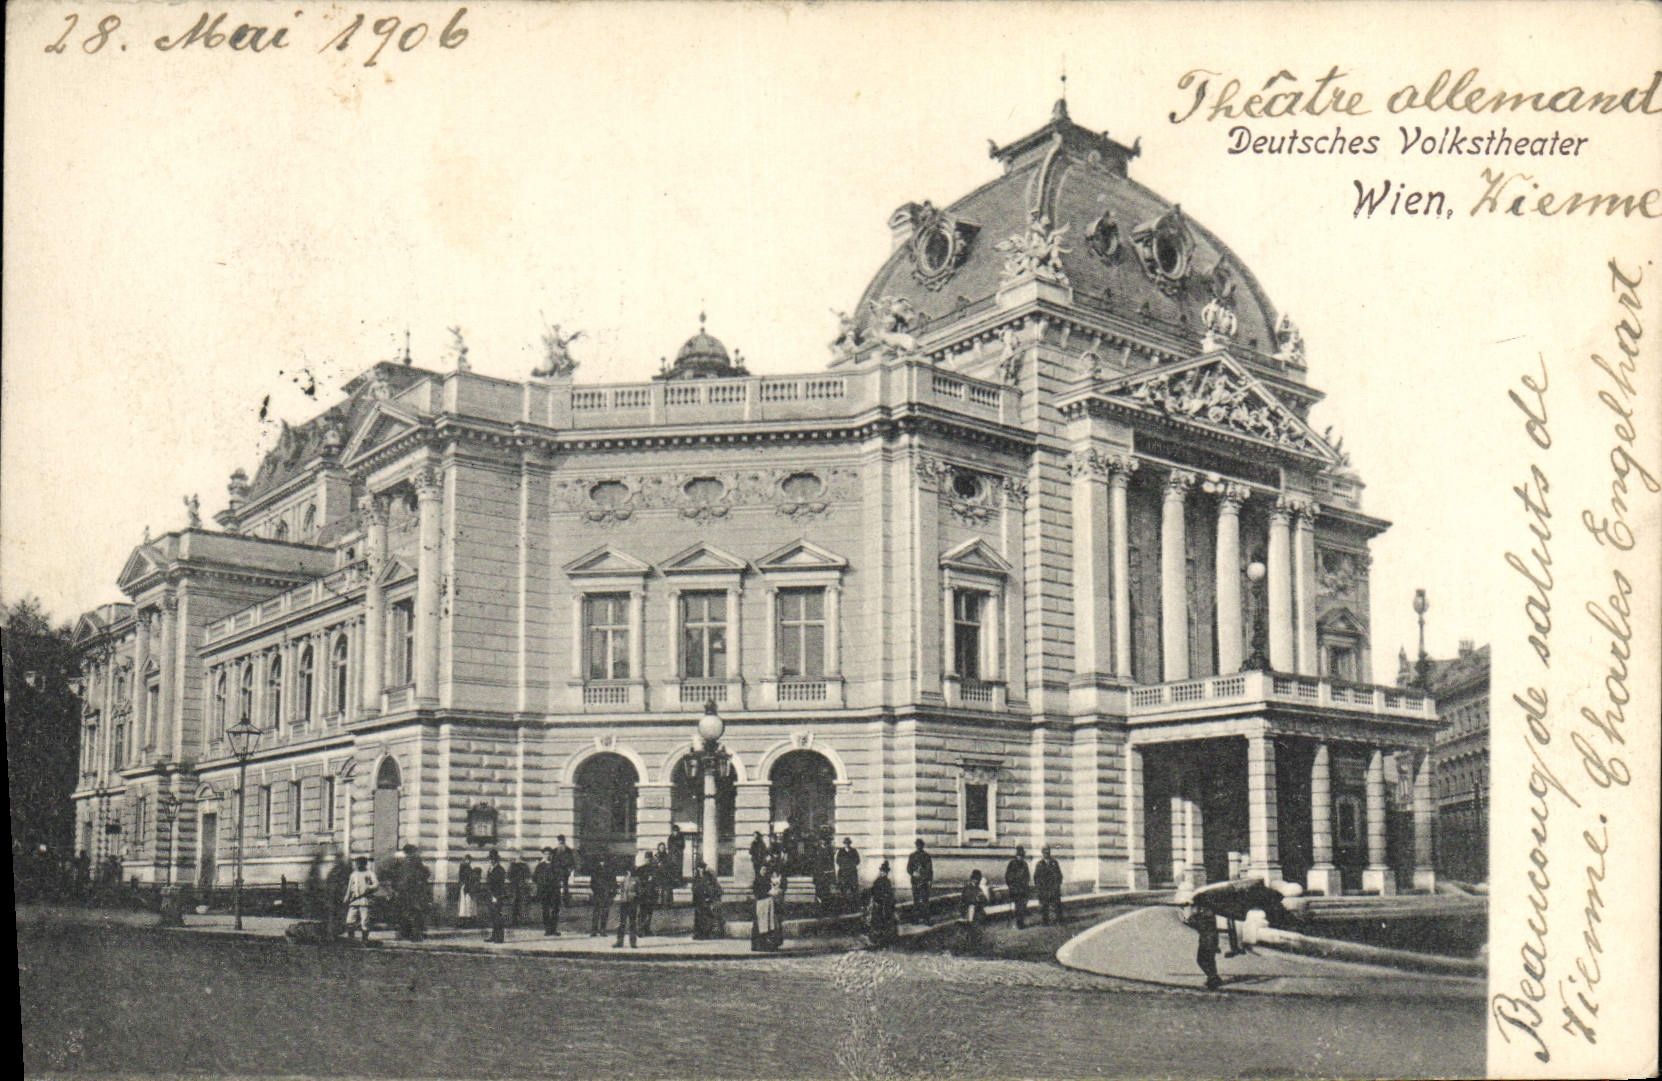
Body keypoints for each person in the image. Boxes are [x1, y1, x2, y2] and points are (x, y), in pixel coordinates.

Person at [396, 844, 430, 941]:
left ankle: (409, 933)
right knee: (413, 912)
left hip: (409, 891)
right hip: (412, 891)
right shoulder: (413, 861)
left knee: (409, 912)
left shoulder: (406, 862)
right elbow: (425, 874)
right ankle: (412, 933)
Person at [345, 856, 378, 944]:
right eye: (357, 863)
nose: (358, 865)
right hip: (354, 900)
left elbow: (376, 885)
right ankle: (351, 939)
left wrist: (368, 887)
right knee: (350, 920)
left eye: (360, 863)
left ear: (365, 864)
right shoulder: (353, 874)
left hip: (364, 900)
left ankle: (365, 939)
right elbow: (349, 887)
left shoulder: (369, 873)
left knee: (364, 921)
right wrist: (347, 897)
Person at [866, 860, 898, 945]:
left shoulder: (887, 882)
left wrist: (889, 899)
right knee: (877, 920)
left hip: (886, 904)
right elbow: (873, 891)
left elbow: (890, 893)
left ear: (887, 873)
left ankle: (886, 937)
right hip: (878, 903)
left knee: (887, 919)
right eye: (882, 871)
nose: (882, 873)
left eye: (884, 872)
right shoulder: (877, 881)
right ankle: (876, 937)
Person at [691, 860, 724, 939]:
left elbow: (714, 887)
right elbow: (694, 888)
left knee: (707, 917)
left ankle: (706, 933)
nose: (701, 869)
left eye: (702, 868)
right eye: (699, 868)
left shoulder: (709, 876)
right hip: (699, 900)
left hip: (707, 900)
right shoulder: (696, 877)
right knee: (698, 918)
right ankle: (698, 934)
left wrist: (710, 897)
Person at [533, 847, 562, 936]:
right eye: (546, 854)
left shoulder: (556, 865)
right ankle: (547, 929)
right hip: (544, 891)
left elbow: (560, 876)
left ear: (552, 855)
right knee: (545, 910)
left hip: (554, 891)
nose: (548, 856)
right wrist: (541, 884)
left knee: (555, 910)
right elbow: (534, 878)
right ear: (543, 855)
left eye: (549, 854)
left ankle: (554, 929)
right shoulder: (540, 866)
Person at [1033, 845, 1064, 925]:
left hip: (1053, 888)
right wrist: (1039, 887)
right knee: (1044, 906)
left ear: (1050, 852)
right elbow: (1036, 877)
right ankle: (1045, 921)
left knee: (1057, 905)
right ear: (1042, 853)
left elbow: (1059, 875)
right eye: (1045, 852)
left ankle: (1059, 920)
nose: (1046, 854)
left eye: (1048, 852)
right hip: (1044, 889)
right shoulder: (1039, 864)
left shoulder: (1054, 863)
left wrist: (1057, 885)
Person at [905, 838, 933, 924]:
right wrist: (913, 873)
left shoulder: (927, 856)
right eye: (917, 845)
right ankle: (915, 919)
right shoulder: (912, 856)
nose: (919, 847)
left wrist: (929, 880)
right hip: (915, 881)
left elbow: (930, 869)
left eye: (920, 845)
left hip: (924, 881)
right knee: (916, 900)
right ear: (916, 846)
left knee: (925, 901)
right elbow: (908, 868)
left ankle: (926, 919)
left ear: (922, 846)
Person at [324, 849, 351, 940]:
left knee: (342, 916)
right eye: (336, 858)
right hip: (333, 897)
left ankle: (338, 933)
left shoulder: (345, 871)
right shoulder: (334, 871)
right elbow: (328, 883)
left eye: (338, 858)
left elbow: (348, 884)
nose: (336, 860)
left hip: (340, 897)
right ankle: (331, 935)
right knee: (332, 916)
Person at [614, 859, 641, 949]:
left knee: (632, 923)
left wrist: (635, 897)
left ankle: (633, 942)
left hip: (632, 903)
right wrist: (621, 898)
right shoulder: (624, 879)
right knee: (622, 923)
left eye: (630, 871)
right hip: (624, 903)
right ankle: (619, 941)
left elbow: (639, 892)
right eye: (628, 871)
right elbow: (622, 890)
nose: (629, 872)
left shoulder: (636, 880)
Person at [483, 850, 508, 943]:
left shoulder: (500, 869)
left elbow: (499, 885)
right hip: (490, 895)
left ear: (496, 860)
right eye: (490, 859)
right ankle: (494, 936)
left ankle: (500, 937)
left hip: (496, 895)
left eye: (493, 859)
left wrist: (495, 896)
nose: (491, 861)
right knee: (493, 916)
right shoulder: (491, 868)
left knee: (497, 916)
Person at [1004, 846, 1032, 929]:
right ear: (1016, 855)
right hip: (1015, 889)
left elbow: (1027, 876)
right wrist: (1011, 886)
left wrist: (1026, 885)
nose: (1020, 857)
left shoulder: (1024, 864)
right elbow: (1008, 876)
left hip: (1023, 889)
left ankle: (1021, 922)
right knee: (1018, 906)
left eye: (1022, 855)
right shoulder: (1012, 864)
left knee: (1023, 906)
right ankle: (1019, 923)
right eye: (1019, 855)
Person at [589, 858, 616, 936]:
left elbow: (614, 882)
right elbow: (592, 883)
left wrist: (612, 893)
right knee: (596, 912)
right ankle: (594, 930)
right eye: (601, 861)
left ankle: (602, 930)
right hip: (598, 893)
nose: (602, 862)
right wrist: (596, 890)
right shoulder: (595, 870)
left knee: (604, 912)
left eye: (603, 861)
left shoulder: (610, 870)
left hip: (606, 894)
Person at [636, 851, 659, 936]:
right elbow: (638, 882)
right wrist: (646, 880)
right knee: (642, 912)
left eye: (649, 858)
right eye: (647, 858)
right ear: (645, 859)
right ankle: (639, 930)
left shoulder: (654, 869)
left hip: (651, 894)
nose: (648, 860)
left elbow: (656, 882)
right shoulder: (640, 869)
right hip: (643, 894)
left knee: (649, 912)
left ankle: (647, 929)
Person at [835, 837, 861, 906]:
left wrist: (851, 865)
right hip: (843, 872)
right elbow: (837, 860)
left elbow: (857, 860)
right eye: (845, 843)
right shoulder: (841, 851)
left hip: (852, 872)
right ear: (844, 844)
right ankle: (843, 903)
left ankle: (853, 904)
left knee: (853, 888)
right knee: (843, 888)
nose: (847, 844)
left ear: (850, 843)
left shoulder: (854, 851)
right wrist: (843, 865)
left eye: (848, 843)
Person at [552, 835, 576, 905]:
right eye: (560, 840)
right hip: (557, 871)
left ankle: (566, 901)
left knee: (565, 886)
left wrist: (570, 869)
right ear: (558, 841)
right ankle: (557, 900)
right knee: (557, 886)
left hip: (565, 871)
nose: (561, 842)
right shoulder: (555, 850)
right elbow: (552, 861)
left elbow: (572, 860)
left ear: (564, 841)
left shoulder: (568, 850)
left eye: (562, 840)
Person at [456, 854, 479, 928]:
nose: (469, 861)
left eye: (469, 860)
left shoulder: (466, 867)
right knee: (466, 904)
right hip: (466, 887)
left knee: (466, 905)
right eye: (467, 860)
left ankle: (465, 920)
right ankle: (466, 920)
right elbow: (465, 878)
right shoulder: (465, 868)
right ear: (465, 860)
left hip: (467, 887)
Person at [508, 855, 531, 927]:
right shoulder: (513, 866)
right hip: (515, 887)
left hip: (521, 887)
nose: (518, 859)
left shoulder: (524, 866)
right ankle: (516, 920)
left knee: (521, 904)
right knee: (515, 904)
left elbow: (527, 877)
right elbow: (509, 876)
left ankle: (521, 920)